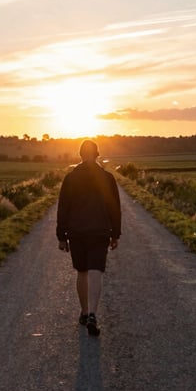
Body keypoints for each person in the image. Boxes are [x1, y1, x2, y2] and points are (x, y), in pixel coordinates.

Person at [56, 139, 121, 336]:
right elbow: (114, 208)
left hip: (76, 232)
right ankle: (93, 312)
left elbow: (63, 208)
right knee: (96, 271)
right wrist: (115, 233)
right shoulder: (107, 178)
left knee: (82, 272)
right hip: (100, 231)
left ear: (80, 155)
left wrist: (61, 236)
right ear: (97, 154)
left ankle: (84, 312)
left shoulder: (70, 178)